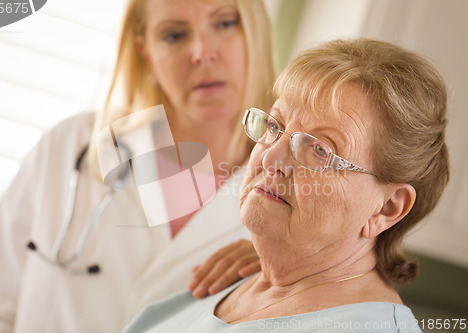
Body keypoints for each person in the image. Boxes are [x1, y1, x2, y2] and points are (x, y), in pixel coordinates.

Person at [0, 0, 275, 332]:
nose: (202, 52)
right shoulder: (73, 144)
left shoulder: (287, 188)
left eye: (225, 24)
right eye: (174, 35)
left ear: (256, 34)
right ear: (145, 53)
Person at [121, 38, 450, 332]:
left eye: (320, 149)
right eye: (274, 125)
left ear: (388, 207)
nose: (269, 159)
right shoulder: (235, 281)